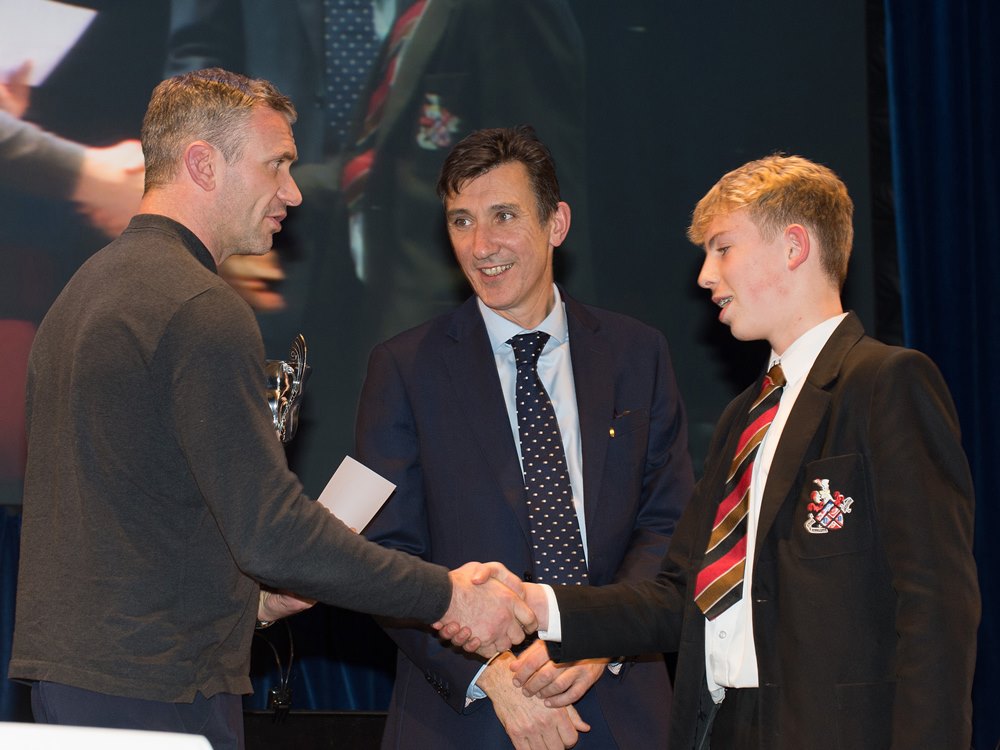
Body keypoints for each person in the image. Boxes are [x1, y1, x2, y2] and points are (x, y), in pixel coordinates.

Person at [8, 68, 534, 750]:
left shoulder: (84, 292)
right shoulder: (199, 306)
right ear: (202, 164)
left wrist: (246, 603)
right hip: (160, 694)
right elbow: (274, 535)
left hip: (82, 683)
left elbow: (131, 520)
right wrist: (451, 596)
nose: (292, 191)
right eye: (276, 165)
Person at [500, 155, 980, 748]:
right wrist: (536, 605)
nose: (704, 275)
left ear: (794, 246)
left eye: (722, 248)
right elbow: (681, 594)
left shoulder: (886, 384)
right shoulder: (742, 416)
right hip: (721, 727)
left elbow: (937, 605)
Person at [357, 126, 694, 749]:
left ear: (556, 223)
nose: (481, 245)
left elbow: (668, 526)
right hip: (469, 720)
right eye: (461, 221)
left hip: (622, 709)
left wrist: (603, 636)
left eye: (503, 215)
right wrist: (492, 678)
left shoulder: (635, 354)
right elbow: (383, 557)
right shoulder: (405, 368)